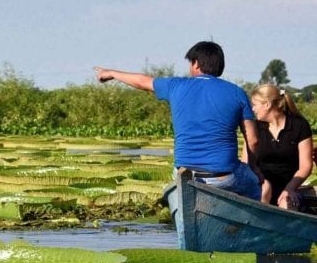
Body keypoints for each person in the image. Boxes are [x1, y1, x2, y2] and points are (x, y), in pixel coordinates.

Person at [94, 41, 262, 200]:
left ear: (196, 64)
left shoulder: (176, 86)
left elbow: (142, 81)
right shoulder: (236, 93)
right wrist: (253, 168)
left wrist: (111, 73)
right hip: (224, 177)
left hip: (183, 175)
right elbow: (253, 140)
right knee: (253, 184)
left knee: (179, 178)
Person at [249, 84, 313, 210]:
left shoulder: (299, 126)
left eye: (255, 105)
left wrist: (290, 188)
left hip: (291, 184)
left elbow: (306, 166)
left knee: (287, 202)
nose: (252, 109)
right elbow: (247, 162)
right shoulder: (255, 127)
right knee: (264, 190)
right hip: (261, 183)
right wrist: (261, 180)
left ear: (267, 105)